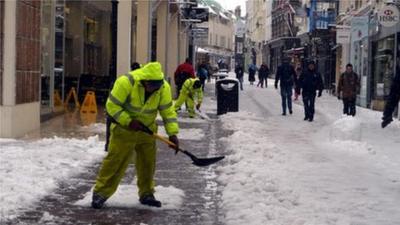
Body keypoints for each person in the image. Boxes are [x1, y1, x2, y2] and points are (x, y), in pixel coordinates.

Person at [92, 62, 179, 209]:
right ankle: (100, 193)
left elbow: (168, 112)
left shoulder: (163, 88)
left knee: (147, 164)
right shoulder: (126, 82)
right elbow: (111, 106)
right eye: (151, 87)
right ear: (144, 81)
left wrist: (173, 133)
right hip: (124, 130)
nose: (154, 91)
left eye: (157, 87)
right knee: (115, 162)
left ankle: (147, 193)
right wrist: (128, 121)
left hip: (147, 130)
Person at [105, 62, 141, 152]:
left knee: (110, 129)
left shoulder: (124, 79)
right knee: (117, 130)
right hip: (117, 110)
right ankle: (114, 146)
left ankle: (108, 145)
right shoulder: (132, 82)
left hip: (113, 110)